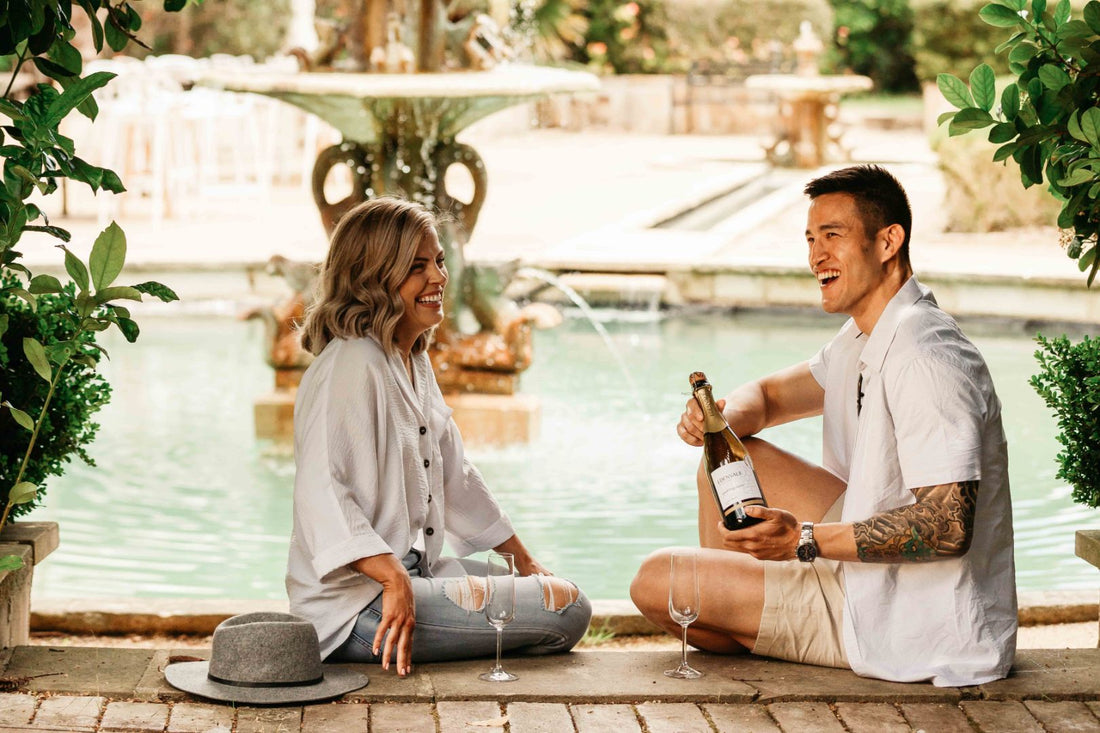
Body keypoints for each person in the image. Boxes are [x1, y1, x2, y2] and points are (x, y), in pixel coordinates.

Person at [630, 165, 1016, 687]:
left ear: (888, 242)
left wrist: (804, 541)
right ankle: (756, 603)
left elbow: (948, 526)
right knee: (725, 466)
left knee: (659, 580)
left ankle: (759, 612)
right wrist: (717, 425)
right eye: (811, 239)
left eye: (833, 236)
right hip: (865, 563)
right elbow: (766, 399)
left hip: (909, 619)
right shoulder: (867, 336)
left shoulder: (927, 357)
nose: (816, 256)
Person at [287, 197, 592, 677]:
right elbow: (321, 491)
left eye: (439, 261)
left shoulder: (410, 359)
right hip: (356, 610)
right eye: (416, 267)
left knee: (557, 593)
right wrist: (392, 579)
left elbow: (454, 475)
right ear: (374, 277)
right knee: (566, 612)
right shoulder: (353, 363)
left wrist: (525, 562)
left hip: (412, 578)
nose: (438, 278)